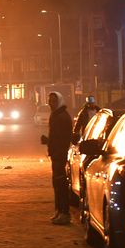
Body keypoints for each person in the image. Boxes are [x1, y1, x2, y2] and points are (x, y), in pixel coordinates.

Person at [40, 91, 73, 225]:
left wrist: (50, 142)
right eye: (49, 100)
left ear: (58, 102)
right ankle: (59, 211)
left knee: (60, 184)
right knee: (57, 184)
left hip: (59, 154)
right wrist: (48, 141)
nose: (50, 103)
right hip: (56, 154)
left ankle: (64, 213)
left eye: (53, 101)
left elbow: (63, 138)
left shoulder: (62, 117)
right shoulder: (56, 115)